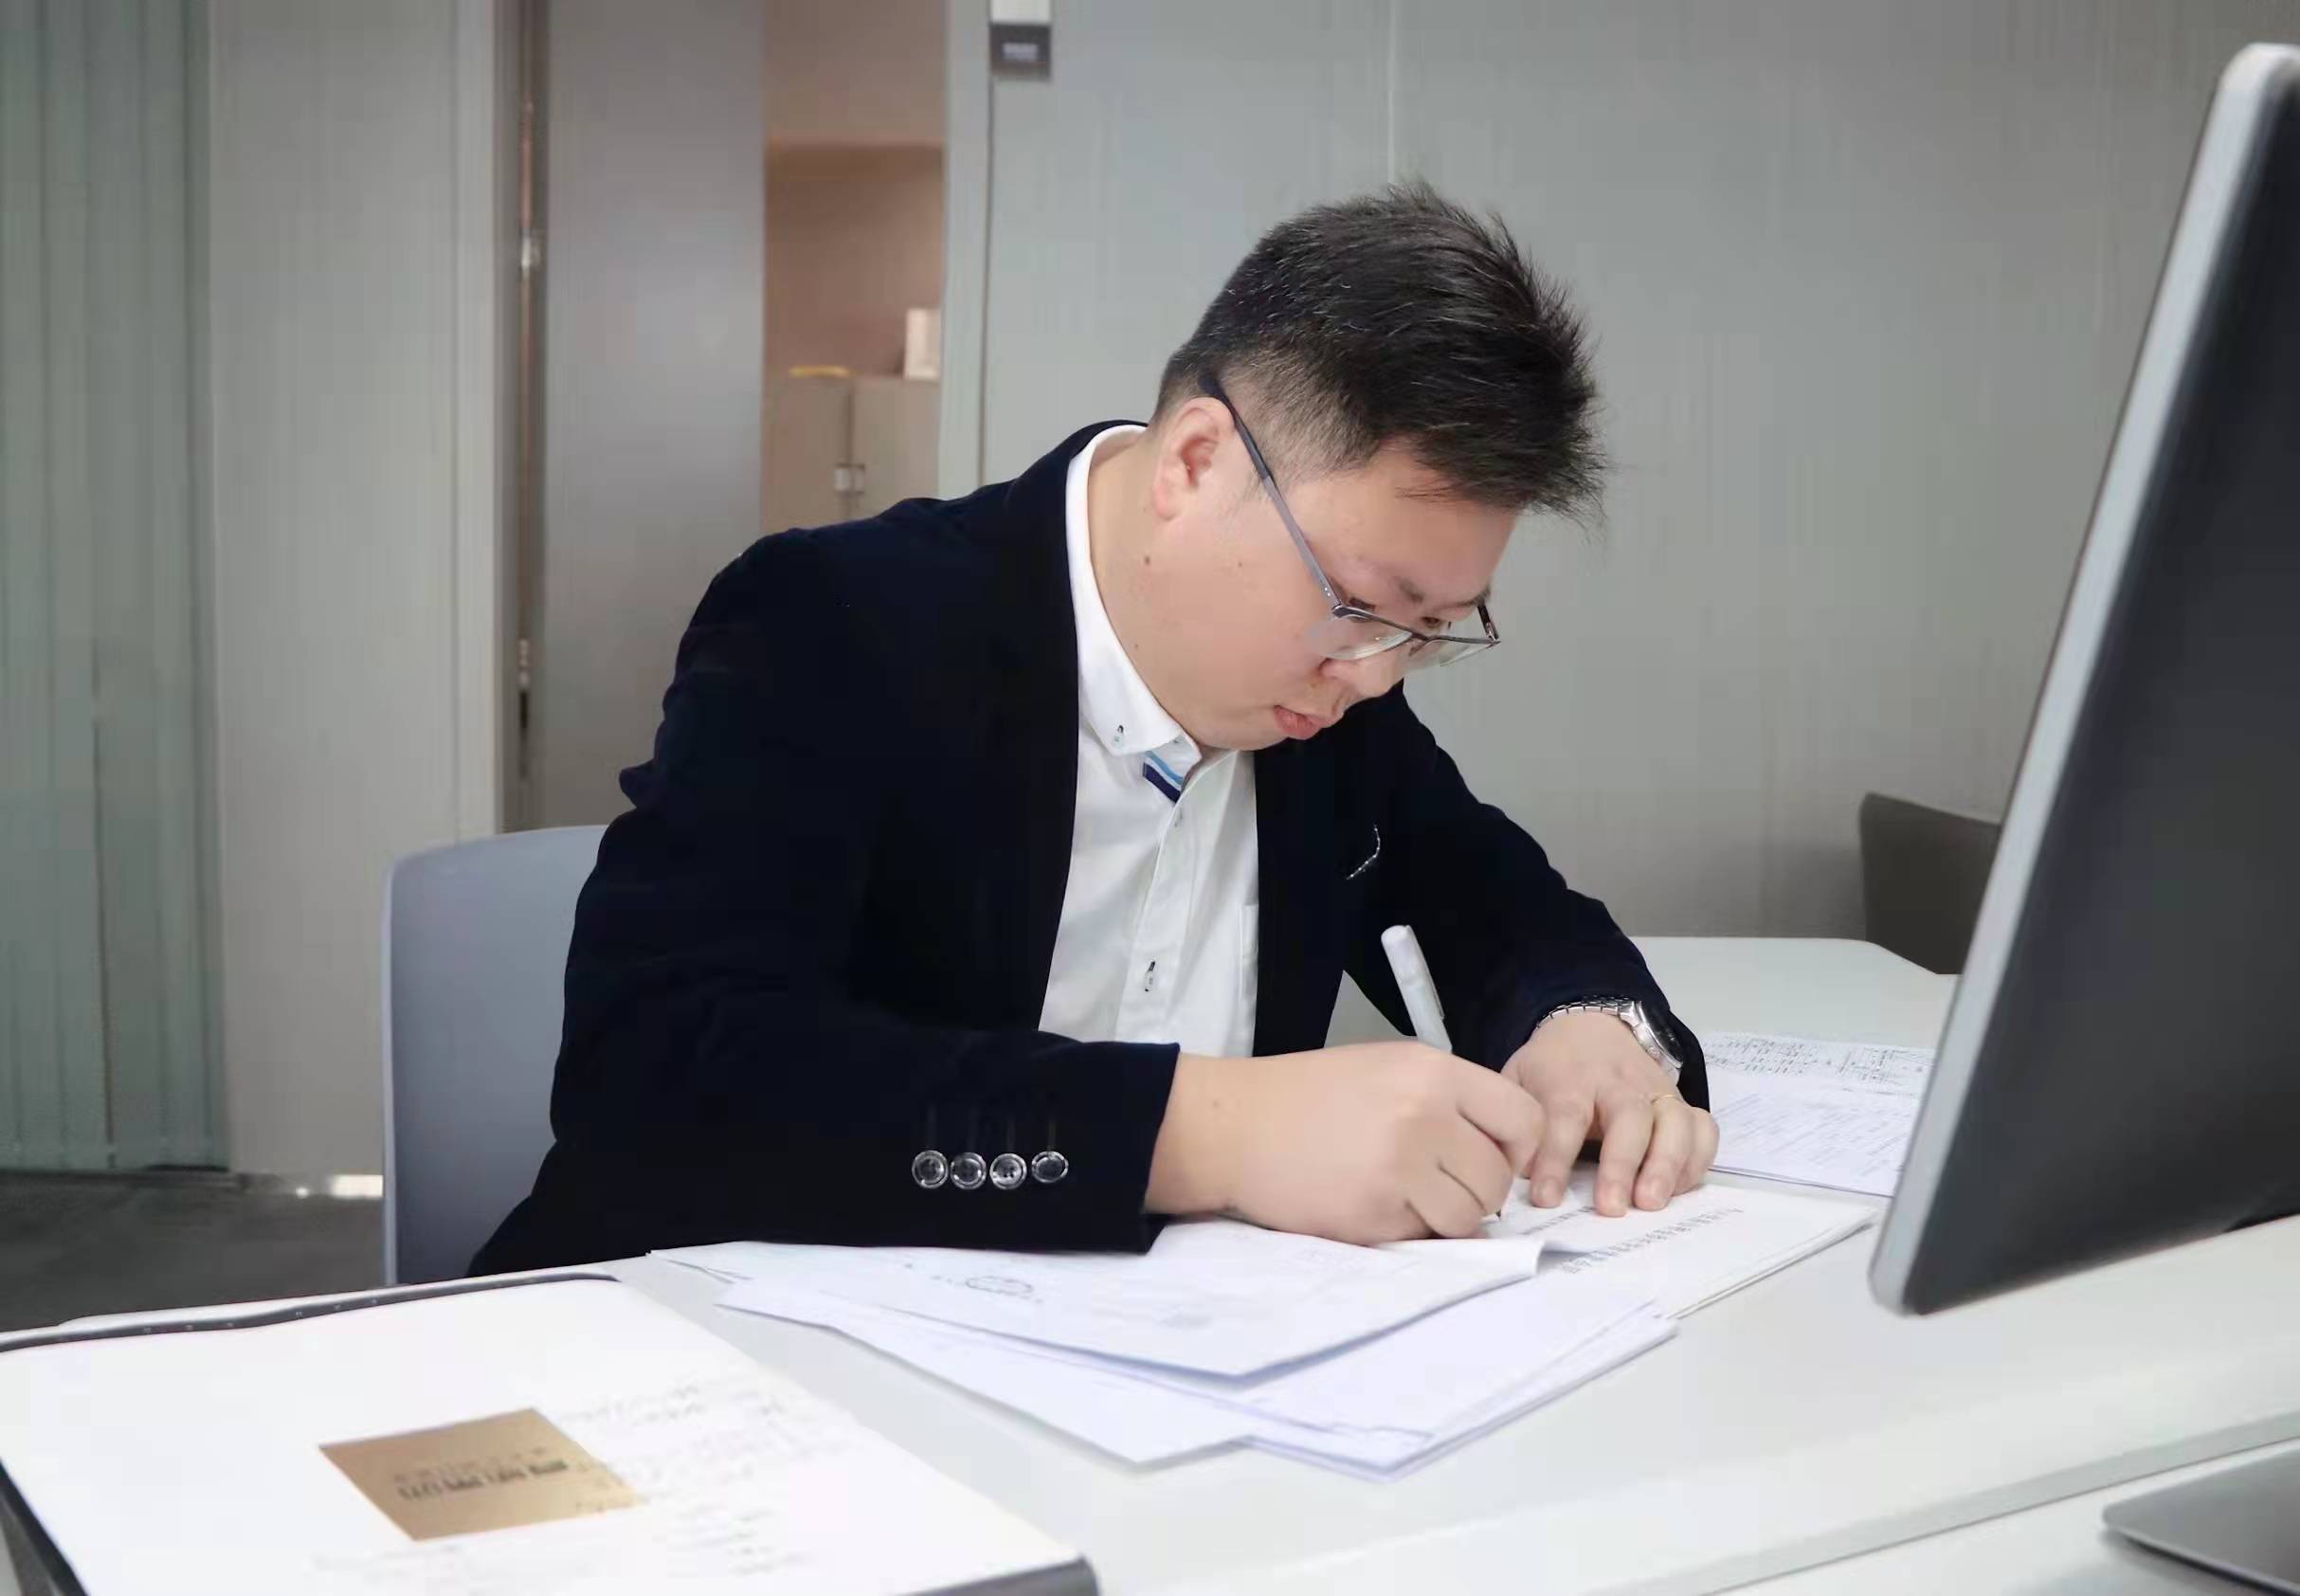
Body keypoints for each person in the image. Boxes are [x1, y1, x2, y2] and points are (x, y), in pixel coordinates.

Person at [473, 182, 1717, 1274]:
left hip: (1134, 1395)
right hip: (718, 1361)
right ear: (1194, 464)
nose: (1381, 673)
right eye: (1361, 606)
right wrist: (1208, 1133)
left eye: (1434, 629)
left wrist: (1587, 1030)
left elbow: (1501, 907)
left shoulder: (1331, 701)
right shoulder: (838, 624)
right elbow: (664, 1074)